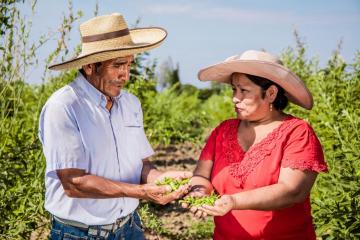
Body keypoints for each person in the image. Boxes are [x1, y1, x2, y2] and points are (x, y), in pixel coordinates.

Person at [38, 13, 191, 240]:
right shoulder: (64, 106)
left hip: (130, 228)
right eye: (118, 65)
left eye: (129, 65)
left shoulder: (131, 104)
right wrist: (142, 193)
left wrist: (161, 179)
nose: (126, 75)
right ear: (90, 66)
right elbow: (74, 183)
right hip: (79, 234)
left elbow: (141, 165)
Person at [183, 50, 328, 239]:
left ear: (270, 93)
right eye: (234, 89)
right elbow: (202, 175)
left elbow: (293, 191)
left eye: (244, 90)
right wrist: (199, 192)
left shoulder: (297, 132)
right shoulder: (223, 131)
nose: (235, 97)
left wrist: (234, 201)